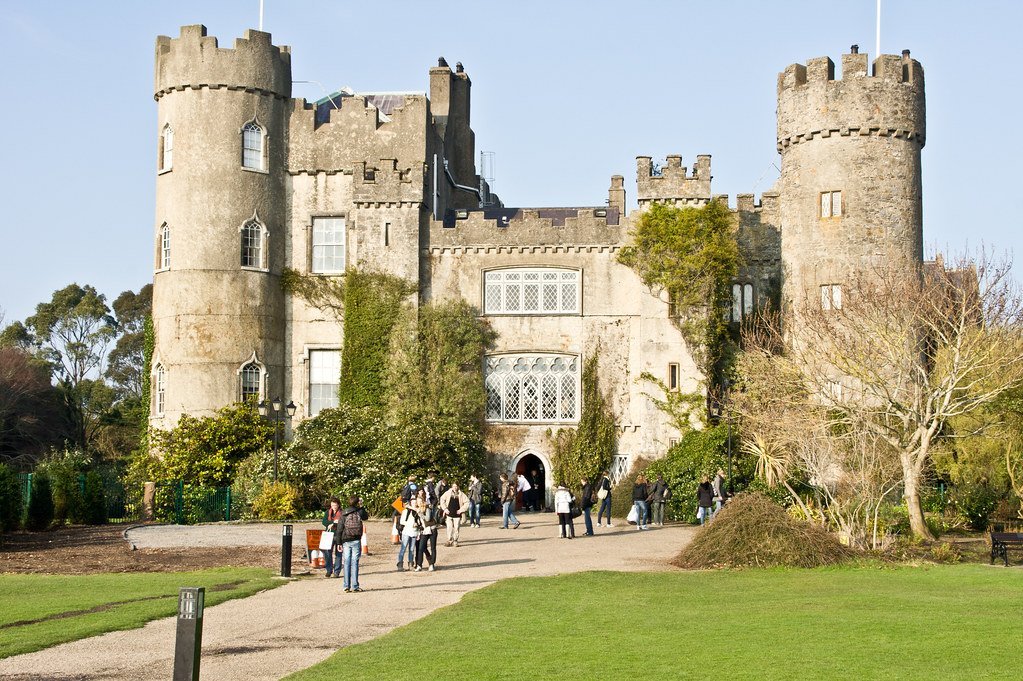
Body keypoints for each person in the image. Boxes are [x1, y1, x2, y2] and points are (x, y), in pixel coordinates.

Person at [338, 495, 369, 592]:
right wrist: (361, 506)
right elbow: (366, 517)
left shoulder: (344, 513)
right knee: (355, 562)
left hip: (346, 540)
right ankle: (355, 585)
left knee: (347, 562)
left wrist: (338, 542)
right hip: (356, 539)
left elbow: (339, 529)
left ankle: (346, 585)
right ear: (357, 502)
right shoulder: (359, 512)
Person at [439, 481, 470, 547]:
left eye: (456, 486)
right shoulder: (448, 493)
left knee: (456, 528)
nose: (455, 488)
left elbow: (467, 502)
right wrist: (445, 508)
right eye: (453, 486)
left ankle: (455, 540)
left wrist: (461, 510)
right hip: (449, 514)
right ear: (452, 487)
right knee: (449, 528)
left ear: (458, 486)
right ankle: (449, 540)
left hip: (457, 515)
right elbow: (442, 499)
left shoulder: (461, 494)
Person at [398, 493, 423, 571]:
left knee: (412, 549)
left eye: (415, 502)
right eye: (413, 502)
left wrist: (418, 531)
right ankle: (400, 564)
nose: (414, 504)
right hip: (406, 532)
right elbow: (402, 522)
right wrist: (411, 524)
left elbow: (420, 522)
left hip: (414, 532)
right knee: (403, 548)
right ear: (410, 503)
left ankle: (410, 564)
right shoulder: (406, 511)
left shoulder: (418, 512)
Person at [321, 497, 343, 578]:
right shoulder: (328, 512)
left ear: (338, 505)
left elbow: (342, 522)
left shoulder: (342, 513)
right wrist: (333, 522)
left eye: (335, 505)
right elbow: (324, 522)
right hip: (329, 535)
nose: (333, 506)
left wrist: (335, 523)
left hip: (338, 535)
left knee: (339, 553)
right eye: (332, 505)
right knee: (327, 552)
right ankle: (329, 569)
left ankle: (337, 571)